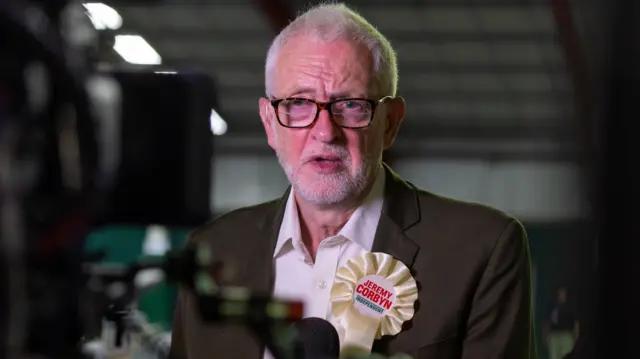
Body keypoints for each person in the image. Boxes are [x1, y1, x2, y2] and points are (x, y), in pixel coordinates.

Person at [169, 3, 535, 359]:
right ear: (269, 123)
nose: (325, 132)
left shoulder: (481, 249)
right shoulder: (212, 251)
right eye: (298, 103)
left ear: (390, 122)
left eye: (351, 105)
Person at [543, 286, 579, 359]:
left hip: (566, 336)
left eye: (563, 291)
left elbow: (576, 323)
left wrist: (575, 337)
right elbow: (547, 322)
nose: (561, 293)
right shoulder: (552, 305)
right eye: (560, 291)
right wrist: (545, 336)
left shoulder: (571, 306)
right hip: (554, 336)